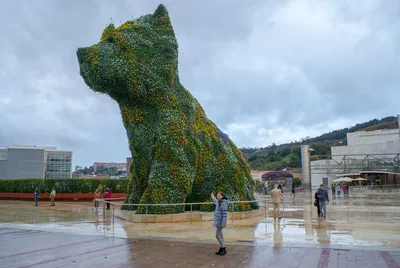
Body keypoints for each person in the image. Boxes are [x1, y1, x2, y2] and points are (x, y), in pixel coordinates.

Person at [211, 191, 228, 256]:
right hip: (218, 221)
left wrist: (223, 223)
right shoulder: (219, 202)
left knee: (217, 236)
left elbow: (224, 214)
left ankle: (223, 248)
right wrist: (212, 196)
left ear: (222, 196)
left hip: (220, 222)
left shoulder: (223, 203)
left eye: (219, 196)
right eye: (217, 196)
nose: (218, 197)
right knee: (220, 235)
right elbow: (215, 201)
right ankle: (221, 248)